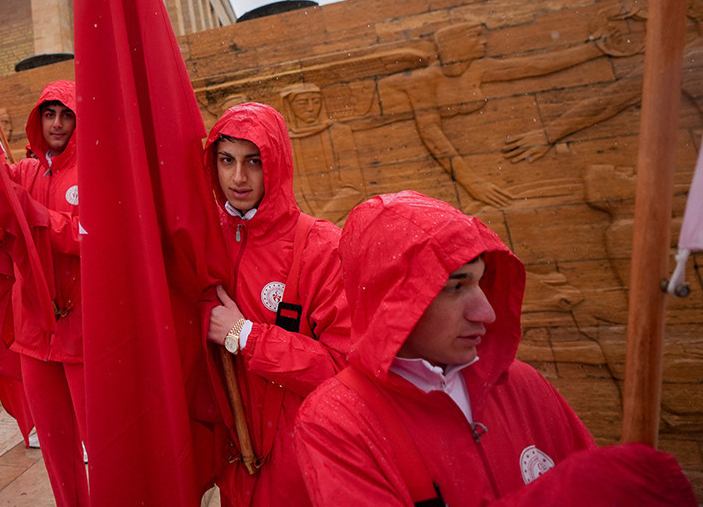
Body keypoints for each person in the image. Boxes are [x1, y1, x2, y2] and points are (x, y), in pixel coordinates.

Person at [293, 191, 693, 506]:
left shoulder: (522, 383)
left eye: (482, 283)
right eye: (455, 286)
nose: (486, 312)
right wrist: (576, 489)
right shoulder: (337, 422)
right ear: (391, 299)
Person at [202, 102, 350, 507]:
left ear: (277, 163)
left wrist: (243, 335)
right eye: (226, 160)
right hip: (232, 462)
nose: (238, 177)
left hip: (300, 460)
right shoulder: (202, 243)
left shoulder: (320, 247)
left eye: (254, 161)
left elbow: (345, 371)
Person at [5, 80, 87, 507]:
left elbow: (93, 237)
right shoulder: (24, 171)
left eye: (66, 114)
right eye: (49, 114)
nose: (57, 124)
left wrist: (39, 216)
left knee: (101, 442)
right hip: (35, 328)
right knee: (56, 449)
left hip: (83, 331)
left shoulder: (94, 170)